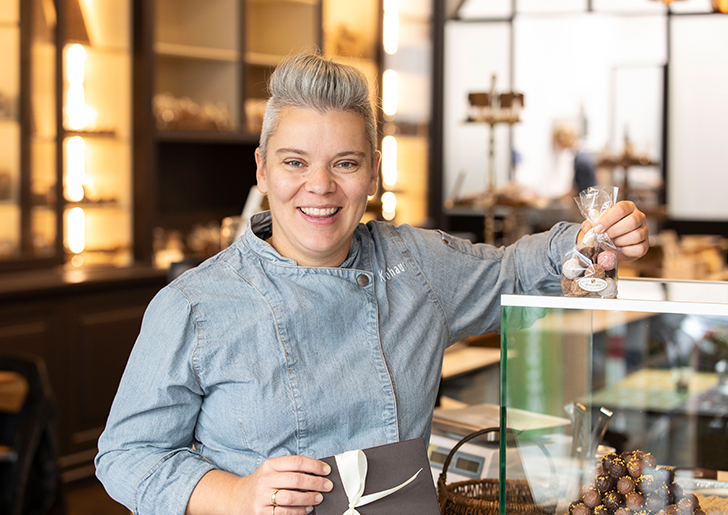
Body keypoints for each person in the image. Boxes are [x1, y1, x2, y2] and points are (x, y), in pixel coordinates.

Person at [95, 52, 649, 515]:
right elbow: (127, 453)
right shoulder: (194, 305)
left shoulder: (416, 266)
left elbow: (514, 269)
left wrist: (590, 239)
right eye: (295, 162)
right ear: (262, 169)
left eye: (345, 163)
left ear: (375, 171)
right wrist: (235, 494)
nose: (320, 187)